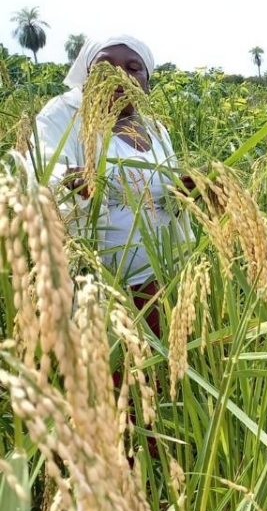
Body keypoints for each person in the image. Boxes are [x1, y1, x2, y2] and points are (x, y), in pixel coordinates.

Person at [33, 35, 192, 337]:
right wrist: (67, 180)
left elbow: (165, 194)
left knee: (157, 371)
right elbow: (39, 164)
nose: (119, 76)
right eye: (104, 67)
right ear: (87, 76)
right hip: (98, 282)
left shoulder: (156, 129)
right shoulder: (66, 116)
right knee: (109, 370)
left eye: (133, 68)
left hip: (160, 276)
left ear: (147, 83)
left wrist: (184, 192)